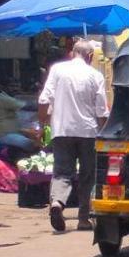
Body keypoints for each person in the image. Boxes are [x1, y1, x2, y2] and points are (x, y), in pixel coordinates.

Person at [38, 38, 110, 233]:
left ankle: (58, 203)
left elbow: (44, 99)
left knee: (62, 172)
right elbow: (101, 111)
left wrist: (42, 123)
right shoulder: (96, 76)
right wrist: (103, 135)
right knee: (88, 176)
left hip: (61, 130)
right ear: (91, 56)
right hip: (88, 132)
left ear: (72, 53)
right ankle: (84, 219)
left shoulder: (57, 70)